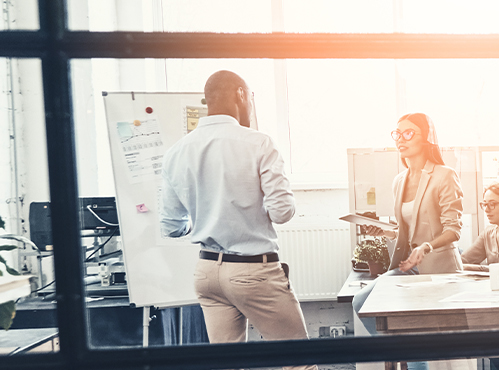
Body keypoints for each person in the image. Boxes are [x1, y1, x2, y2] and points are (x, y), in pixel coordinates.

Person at [159, 70, 316, 370]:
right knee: (299, 362)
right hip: (252, 271)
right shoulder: (259, 143)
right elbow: (283, 213)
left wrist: (207, 220)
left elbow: (171, 226)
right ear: (241, 95)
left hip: (207, 273)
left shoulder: (176, 152)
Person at [351, 112, 465, 336]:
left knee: (429, 332)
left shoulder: (444, 175)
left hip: (438, 267)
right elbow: (406, 230)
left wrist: (426, 247)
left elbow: (454, 230)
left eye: (408, 133)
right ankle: (400, 353)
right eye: (397, 133)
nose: (400, 139)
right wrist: (385, 231)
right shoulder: (399, 181)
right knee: (362, 300)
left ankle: (410, 356)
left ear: (426, 138)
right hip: (408, 266)